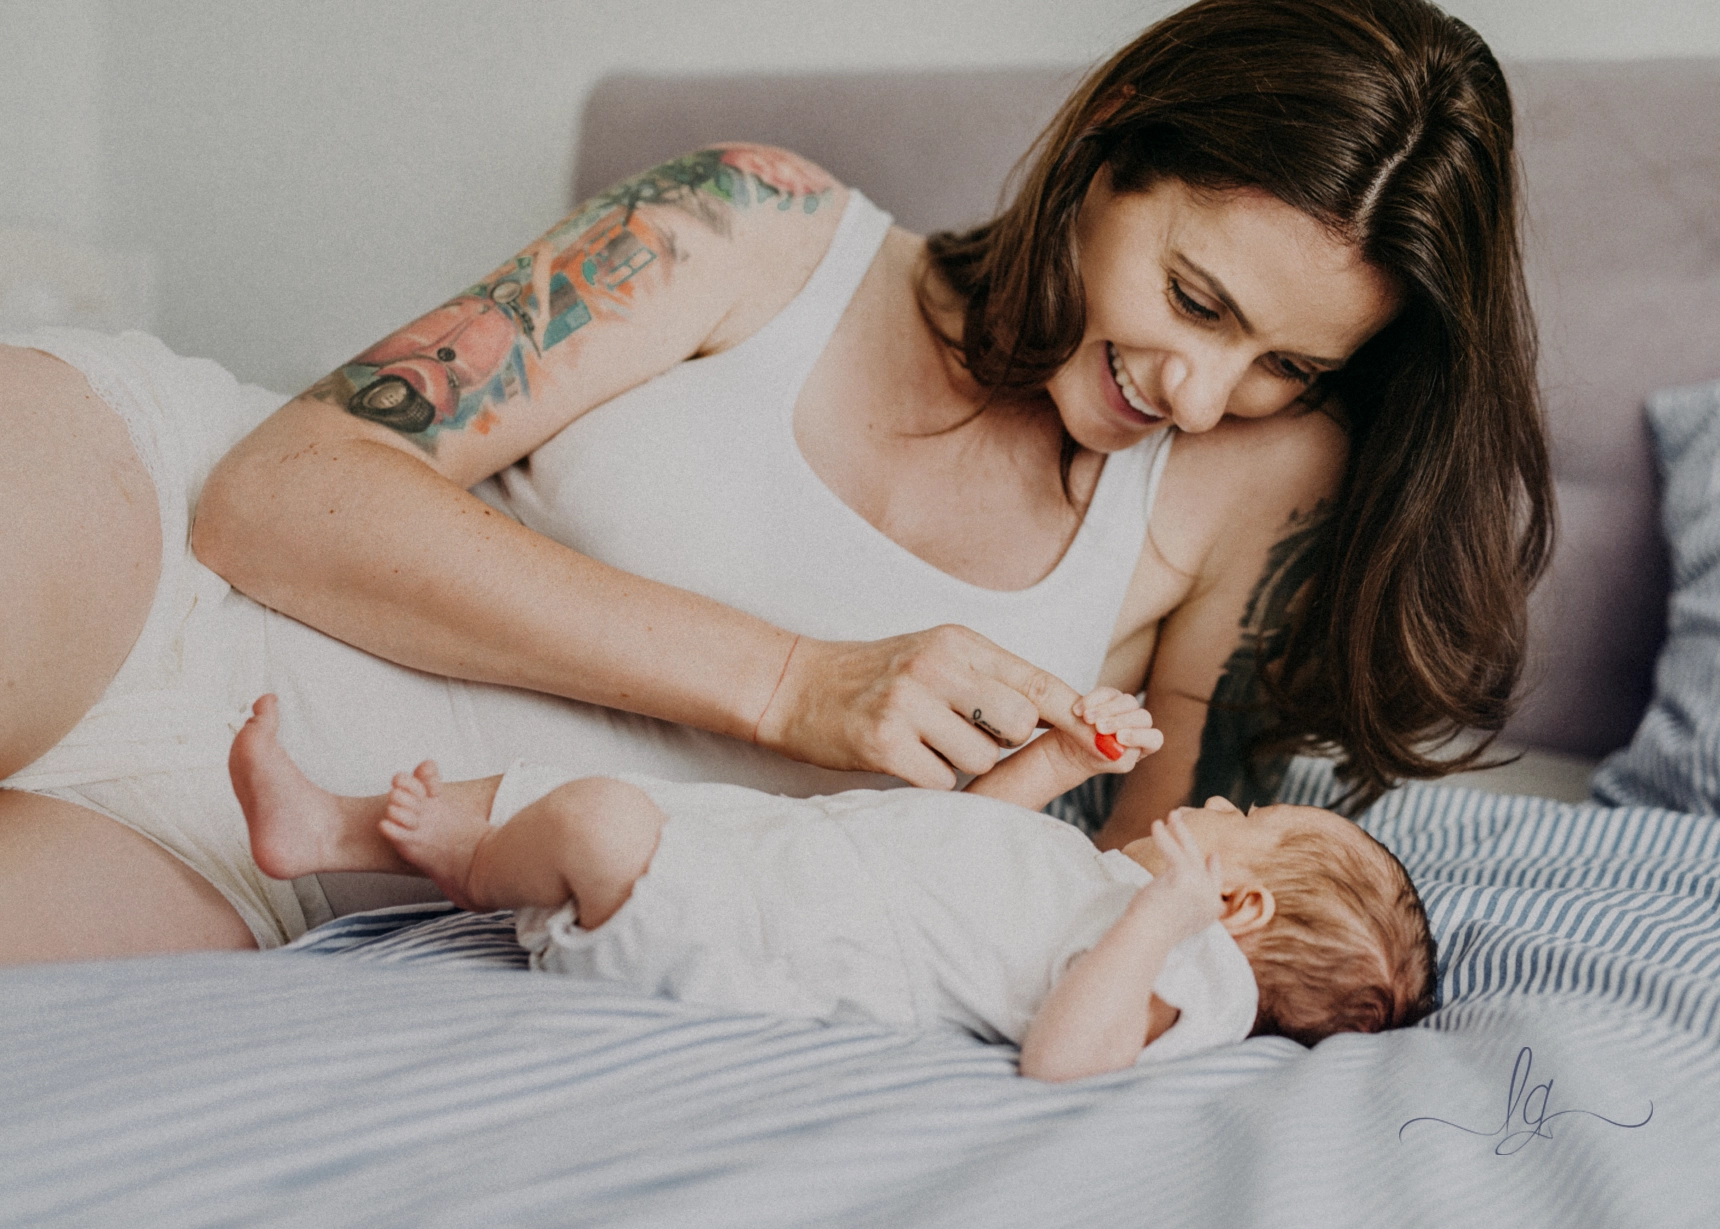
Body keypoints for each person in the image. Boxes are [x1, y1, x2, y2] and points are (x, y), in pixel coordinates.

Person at [0, 0, 1550, 961]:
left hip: (284, 867)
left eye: (1292, 364)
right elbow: (270, 498)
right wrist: (795, 683)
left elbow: (1150, 916)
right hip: (146, 548)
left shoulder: (1243, 491)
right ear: (1108, 157)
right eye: (1198, 301)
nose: (1201, 391)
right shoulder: (763, 228)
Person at [229, 692, 1437, 1080]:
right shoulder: (1095, 883)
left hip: (767, 948)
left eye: (1245, 820)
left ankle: (464, 866)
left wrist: (1161, 915)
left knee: (595, 824)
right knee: (592, 794)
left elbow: (1062, 1057)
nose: (1215, 805)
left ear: (1243, 910)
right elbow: (953, 837)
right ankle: (321, 826)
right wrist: (1061, 760)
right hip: (795, 865)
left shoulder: (1192, 974)